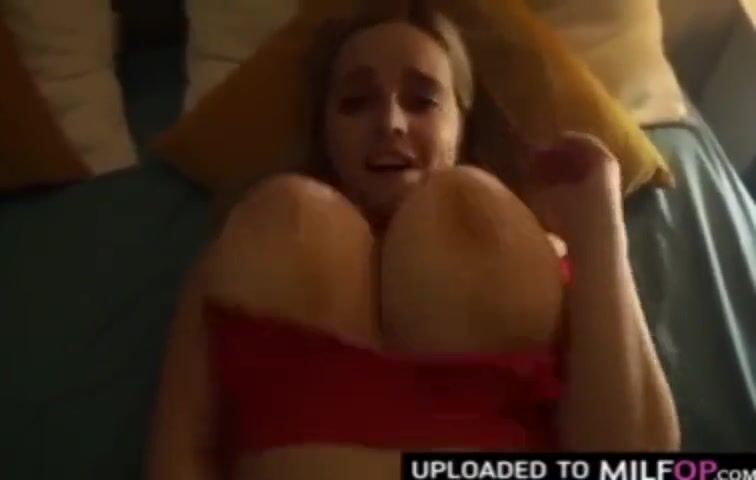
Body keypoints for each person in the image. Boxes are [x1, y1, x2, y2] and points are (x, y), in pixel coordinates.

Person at [146, 3, 680, 479]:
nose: (390, 124)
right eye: (355, 102)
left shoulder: (538, 251)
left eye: (422, 101)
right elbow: (179, 453)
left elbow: (636, 464)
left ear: (462, 124)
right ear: (324, 129)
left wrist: (598, 228)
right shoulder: (248, 245)